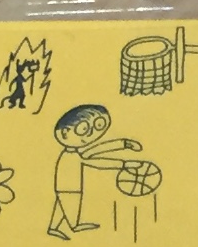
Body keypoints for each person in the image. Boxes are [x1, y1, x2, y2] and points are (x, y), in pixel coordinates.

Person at [46, 102, 141, 238]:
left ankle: (53, 227)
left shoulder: (75, 153)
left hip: (66, 187)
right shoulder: (72, 156)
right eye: (83, 129)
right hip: (69, 188)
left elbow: (97, 149)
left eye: (99, 126)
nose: (91, 134)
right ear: (64, 133)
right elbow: (96, 161)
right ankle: (73, 226)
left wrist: (123, 144)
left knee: (61, 206)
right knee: (68, 206)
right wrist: (123, 164)